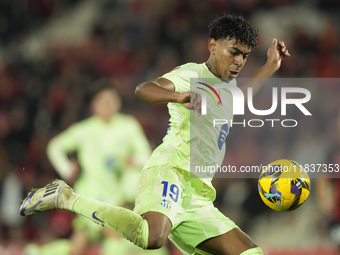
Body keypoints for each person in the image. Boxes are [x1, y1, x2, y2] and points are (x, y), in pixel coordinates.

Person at [19, 14, 290, 255]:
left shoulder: (227, 88)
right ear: (212, 46)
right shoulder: (191, 74)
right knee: (152, 237)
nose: (239, 62)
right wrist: (177, 95)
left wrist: (271, 65)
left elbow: (239, 99)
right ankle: (67, 198)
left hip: (198, 194)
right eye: (233, 52)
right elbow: (144, 89)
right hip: (170, 170)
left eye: (244, 55)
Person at [23, 80, 167, 255]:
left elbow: (145, 154)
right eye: (103, 101)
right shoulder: (85, 130)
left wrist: (133, 160)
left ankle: (38, 253)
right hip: (89, 196)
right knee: (115, 239)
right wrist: (66, 168)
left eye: (111, 100)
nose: (108, 105)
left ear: (118, 102)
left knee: (79, 247)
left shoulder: (128, 126)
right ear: (94, 105)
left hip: (117, 196)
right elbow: (55, 146)